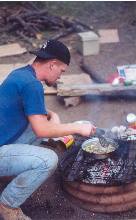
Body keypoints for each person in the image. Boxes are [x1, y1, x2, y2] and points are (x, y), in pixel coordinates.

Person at [0, 39, 96, 220]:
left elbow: (37, 113)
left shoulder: (21, 74)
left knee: (39, 124)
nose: (60, 76)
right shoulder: (32, 85)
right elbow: (42, 130)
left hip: (4, 137)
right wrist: (77, 127)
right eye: (61, 71)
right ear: (52, 65)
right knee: (48, 160)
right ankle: (7, 205)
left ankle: (9, 173)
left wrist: (55, 120)